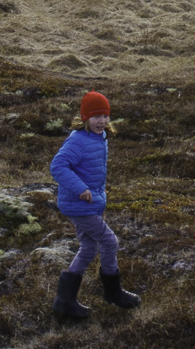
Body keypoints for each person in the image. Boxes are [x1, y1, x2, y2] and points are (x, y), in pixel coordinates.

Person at [48, 90, 141, 319]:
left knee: (89, 247)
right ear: (85, 118)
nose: (102, 121)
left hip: (87, 203)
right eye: (96, 116)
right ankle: (113, 292)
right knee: (109, 241)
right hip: (79, 205)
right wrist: (81, 189)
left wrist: (97, 189)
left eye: (105, 116)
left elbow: (91, 170)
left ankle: (64, 301)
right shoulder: (78, 140)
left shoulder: (98, 138)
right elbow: (58, 166)